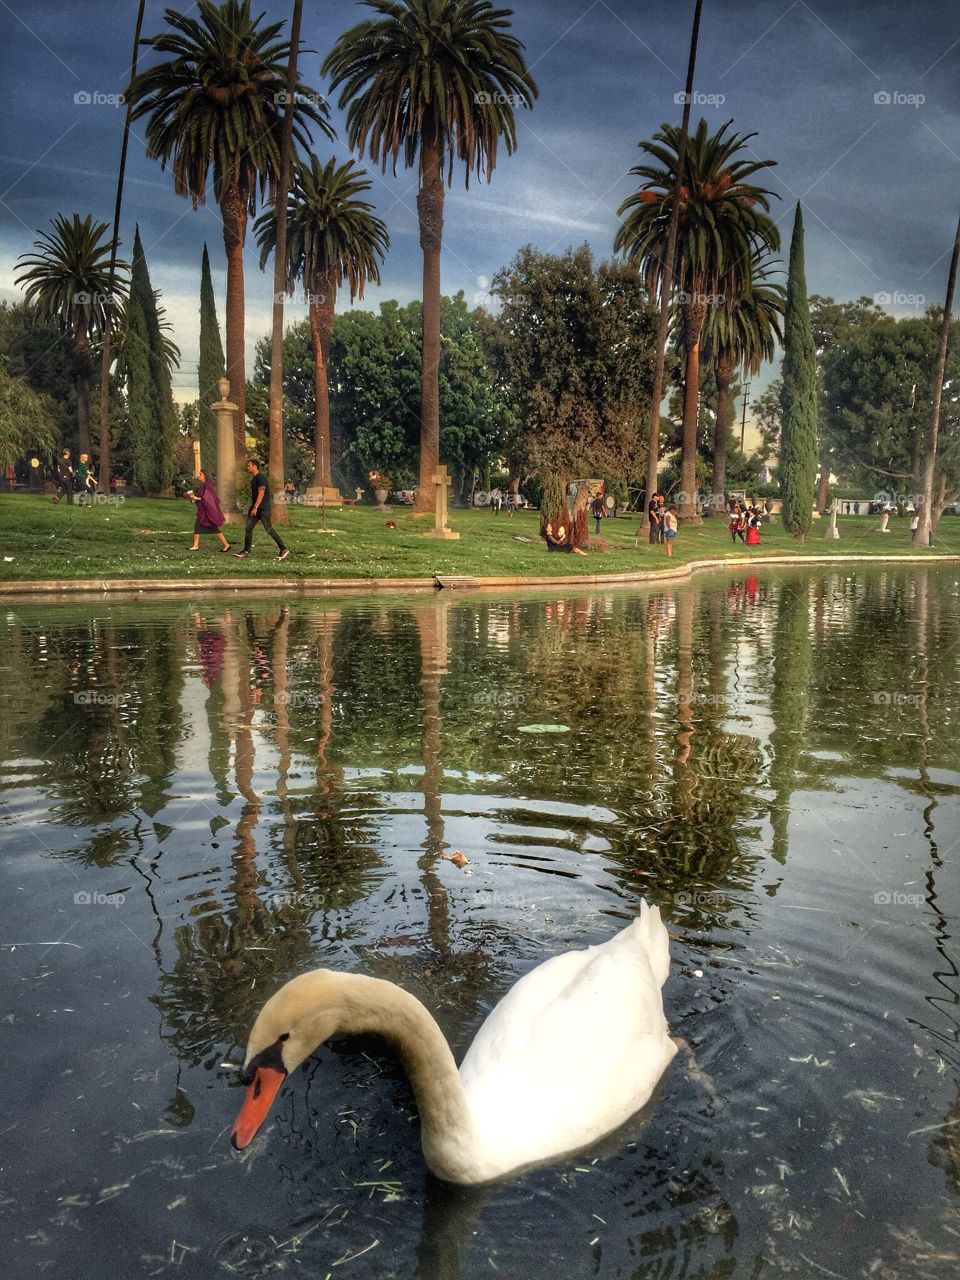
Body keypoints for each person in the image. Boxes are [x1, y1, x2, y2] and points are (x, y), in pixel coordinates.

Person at [234, 459, 289, 560]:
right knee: (248, 528)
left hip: (263, 509)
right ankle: (246, 551)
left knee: (268, 529)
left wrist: (255, 507)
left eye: (249, 466)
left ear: (255, 466)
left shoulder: (261, 478)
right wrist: (254, 507)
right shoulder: (255, 478)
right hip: (256, 508)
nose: (247, 467)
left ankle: (283, 549)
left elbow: (261, 493)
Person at [186, 469, 231, 552]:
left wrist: (196, 498)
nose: (198, 475)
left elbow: (207, 499)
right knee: (198, 527)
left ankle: (226, 545)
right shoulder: (203, 485)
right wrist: (193, 498)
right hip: (203, 511)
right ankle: (195, 545)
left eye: (200, 474)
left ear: (205, 475)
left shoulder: (207, 486)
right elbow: (203, 498)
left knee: (213, 528)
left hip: (207, 512)